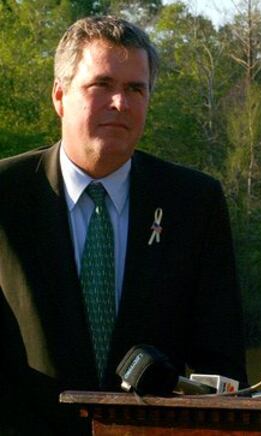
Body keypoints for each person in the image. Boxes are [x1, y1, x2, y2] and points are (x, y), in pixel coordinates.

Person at [0, 16, 246, 434]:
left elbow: (219, 365)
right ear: (60, 96)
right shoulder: (7, 196)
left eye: (136, 89)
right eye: (102, 85)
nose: (121, 103)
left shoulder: (193, 203)